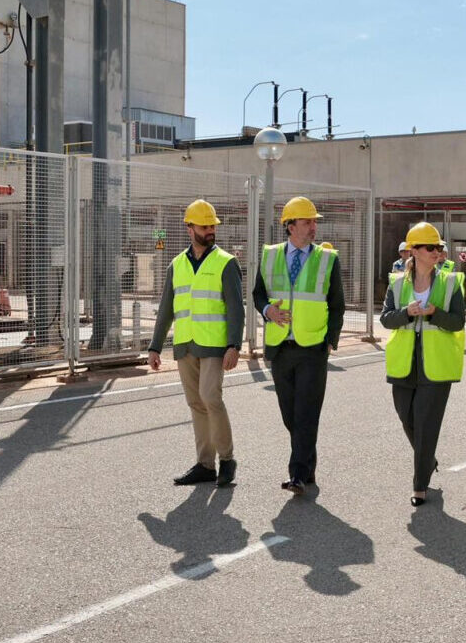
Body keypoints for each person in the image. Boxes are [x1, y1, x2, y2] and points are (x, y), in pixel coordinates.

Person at [147, 199, 246, 487]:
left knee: (210, 398)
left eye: (213, 225)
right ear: (190, 229)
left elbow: (235, 308)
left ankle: (227, 460)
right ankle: (205, 465)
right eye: (205, 226)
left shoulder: (226, 262)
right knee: (195, 403)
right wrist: (155, 347)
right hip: (185, 345)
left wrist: (234, 345)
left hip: (215, 346)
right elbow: (166, 308)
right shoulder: (176, 265)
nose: (211, 230)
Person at [253, 196, 346, 496]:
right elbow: (258, 294)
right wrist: (268, 311)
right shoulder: (269, 256)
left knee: (307, 413)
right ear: (290, 226)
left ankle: (297, 475)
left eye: (314, 221)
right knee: (290, 416)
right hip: (281, 347)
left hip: (313, 349)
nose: (313, 227)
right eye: (307, 221)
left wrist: (330, 341)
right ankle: (307, 463)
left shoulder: (328, 260)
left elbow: (337, 305)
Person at [381, 222, 466, 507]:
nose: (437, 252)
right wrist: (406, 312)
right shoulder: (396, 282)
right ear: (413, 251)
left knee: (427, 424)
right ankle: (427, 460)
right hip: (404, 364)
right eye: (430, 247)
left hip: (436, 366)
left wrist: (433, 313)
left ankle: (420, 486)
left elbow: (457, 321)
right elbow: (386, 318)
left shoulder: (451, 282)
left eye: (439, 248)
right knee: (407, 418)